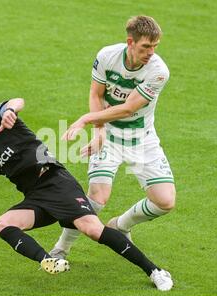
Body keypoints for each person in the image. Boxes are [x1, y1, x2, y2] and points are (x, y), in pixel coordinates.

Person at [0, 98, 173, 291]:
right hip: (35, 198)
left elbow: (16, 101)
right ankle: (50, 261)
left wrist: (10, 111)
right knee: (2, 224)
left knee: (92, 229)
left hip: (55, 181)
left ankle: (155, 271)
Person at [50, 16, 176, 261]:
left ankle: (120, 225)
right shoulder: (107, 56)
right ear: (130, 42)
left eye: (155, 46)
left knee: (165, 201)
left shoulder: (159, 72)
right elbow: (96, 94)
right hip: (109, 136)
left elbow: (129, 108)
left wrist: (87, 119)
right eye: (145, 47)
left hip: (141, 139)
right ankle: (61, 248)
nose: (151, 52)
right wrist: (99, 131)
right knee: (97, 196)